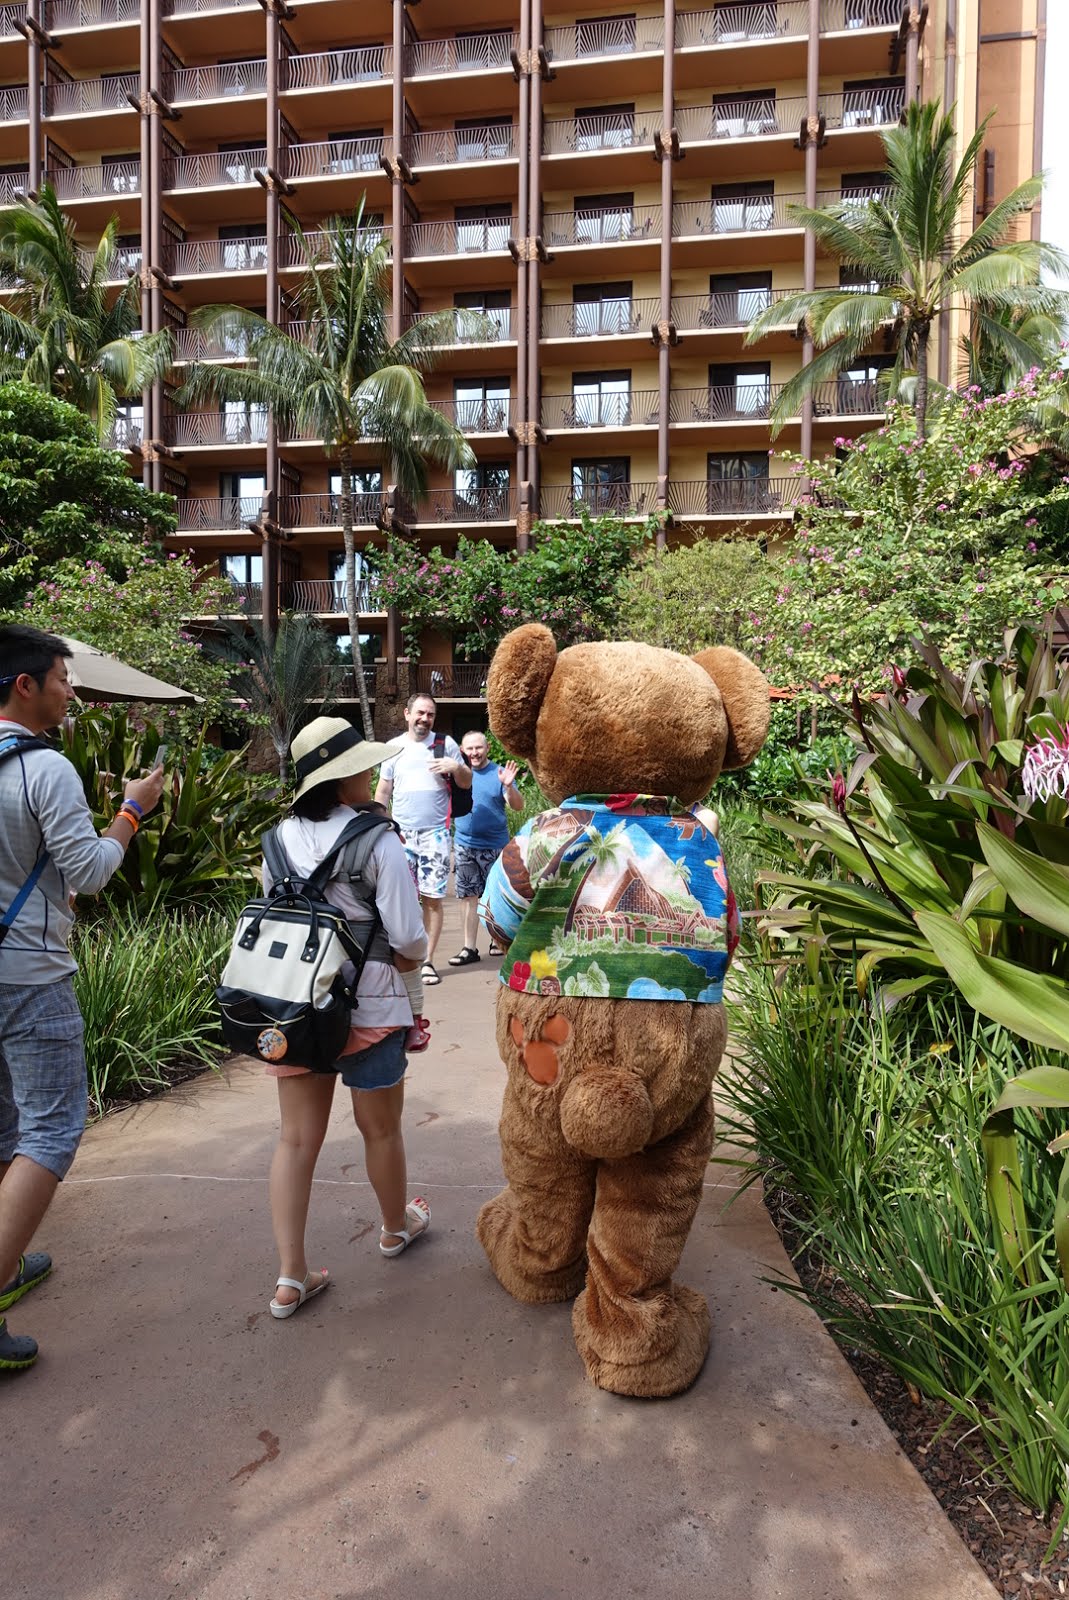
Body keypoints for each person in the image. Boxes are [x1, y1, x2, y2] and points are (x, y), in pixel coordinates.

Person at [0, 624, 164, 1373]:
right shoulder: (45, 767)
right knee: (50, 1130)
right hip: (28, 975)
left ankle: (7, 1262)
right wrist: (132, 811)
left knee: (5, 1125)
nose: (71, 691)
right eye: (63, 678)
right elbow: (91, 871)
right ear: (25, 685)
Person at [261, 716, 431, 1319]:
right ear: (341, 780)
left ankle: (290, 1277)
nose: (369, 773)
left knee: (295, 1139)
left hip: (297, 1009)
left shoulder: (276, 841)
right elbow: (409, 939)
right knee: (380, 1130)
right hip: (371, 1006)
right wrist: (407, 961)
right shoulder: (378, 841)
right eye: (361, 766)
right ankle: (394, 1228)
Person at [374, 692, 471, 988]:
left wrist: (457, 768)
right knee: (397, 898)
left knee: (432, 899)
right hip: (400, 835)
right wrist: (378, 824)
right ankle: (400, 958)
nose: (424, 718)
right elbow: (384, 790)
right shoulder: (393, 748)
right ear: (407, 714)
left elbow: (466, 781)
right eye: (420, 712)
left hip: (435, 834)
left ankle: (426, 961)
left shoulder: (446, 744)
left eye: (430, 714)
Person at [448, 730, 523, 966]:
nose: (474, 753)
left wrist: (509, 787)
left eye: (478, 747)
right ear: (462, 750)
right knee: (468, 896)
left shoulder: (499, 773)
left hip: (495, 846)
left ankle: (496, 939)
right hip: (464, 845)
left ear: (487, 747)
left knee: (494, 896)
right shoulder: (458, 774)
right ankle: (469, 948)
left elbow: (517, 806)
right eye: (469, 748)